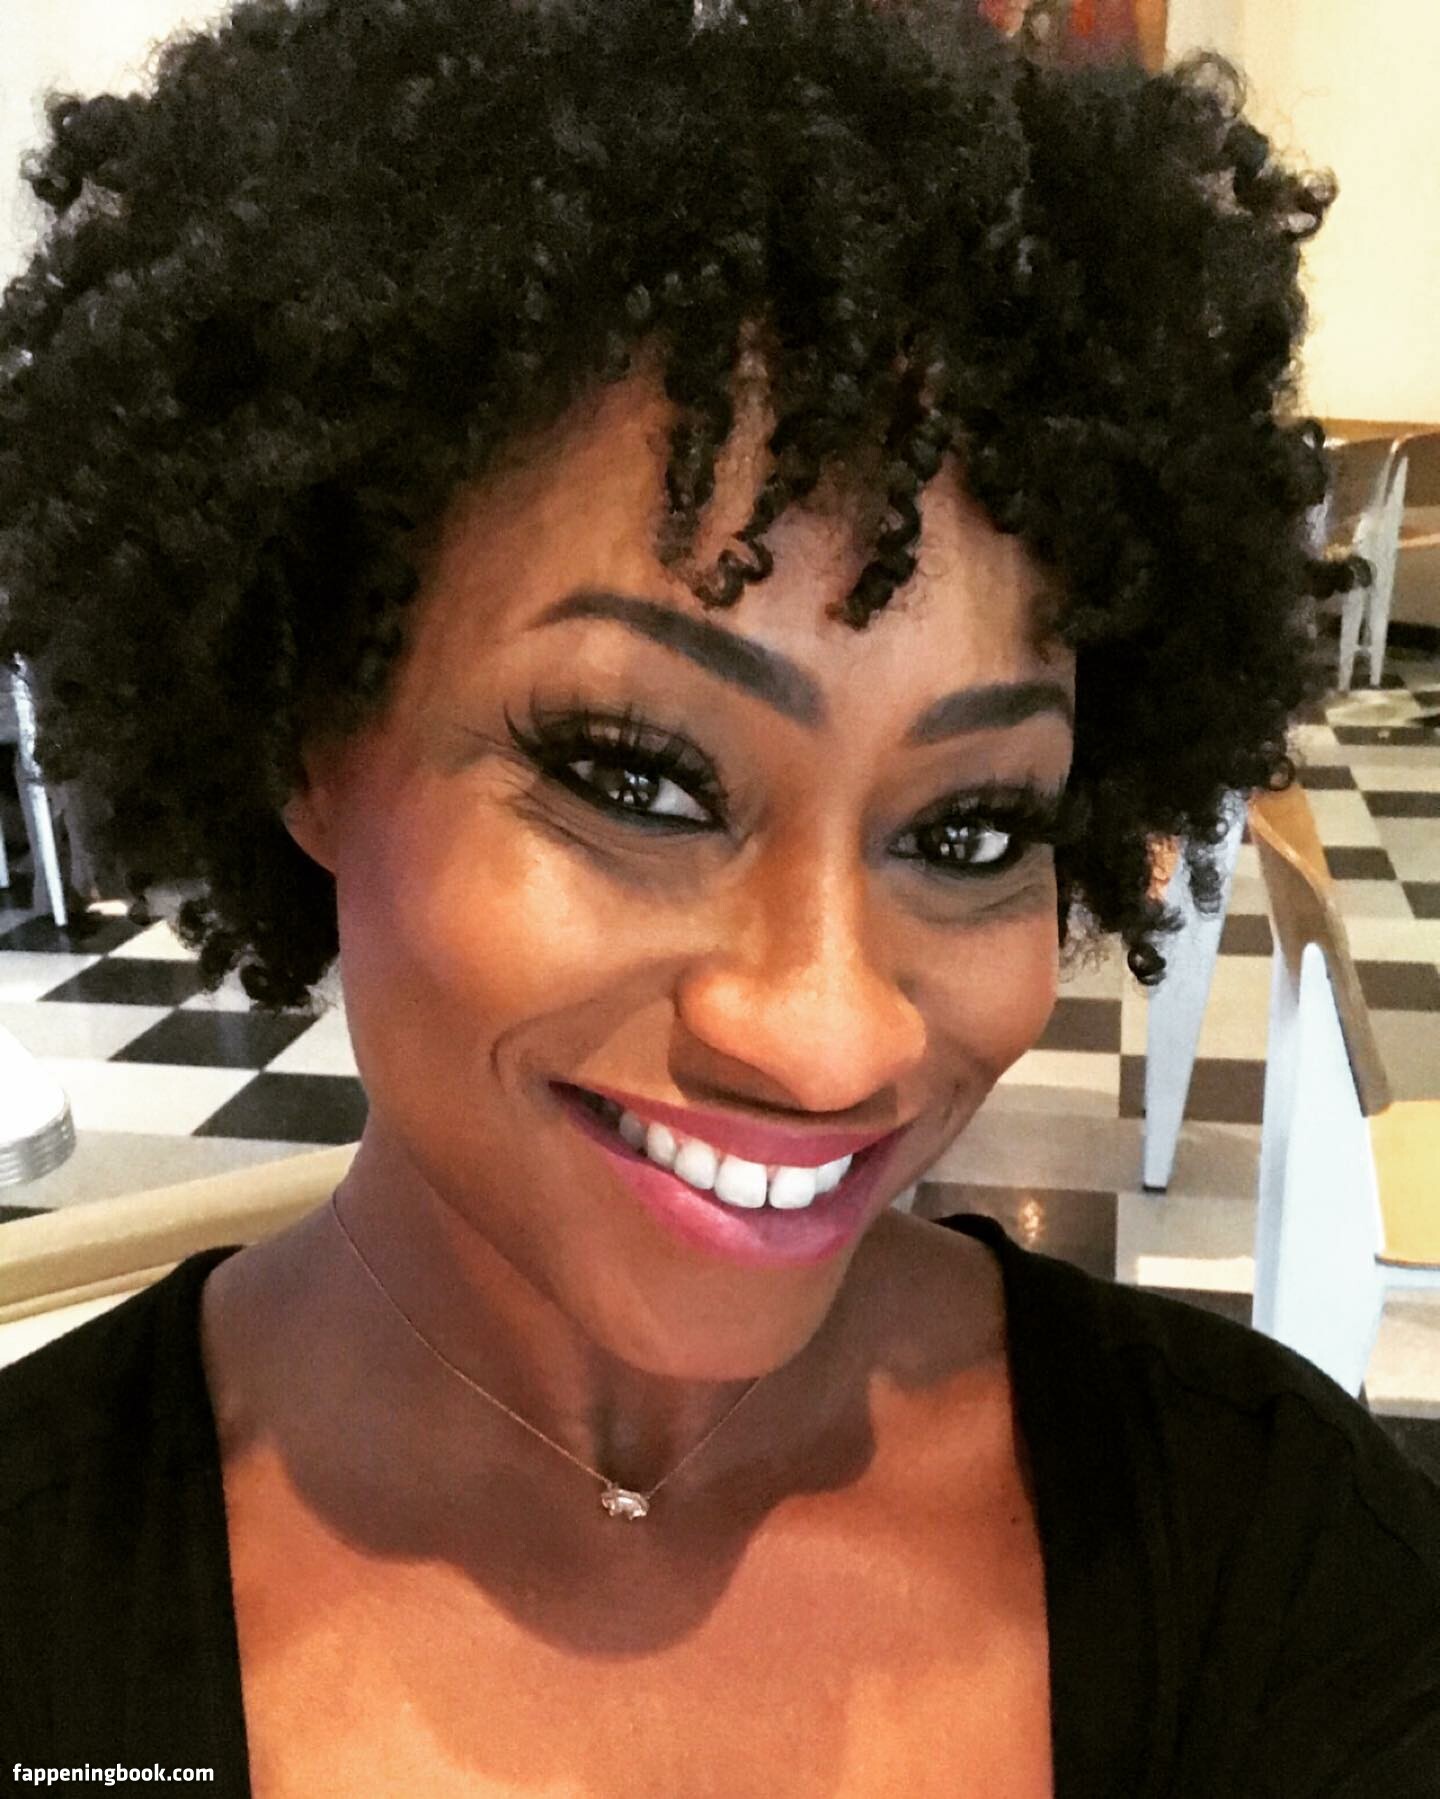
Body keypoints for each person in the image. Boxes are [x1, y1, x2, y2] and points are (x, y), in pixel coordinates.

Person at [0, 1, 1435, 1792]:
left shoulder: (1274, 1564)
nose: (828, 1040)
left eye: (971, 830)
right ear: (306, 729)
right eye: (636, 780)